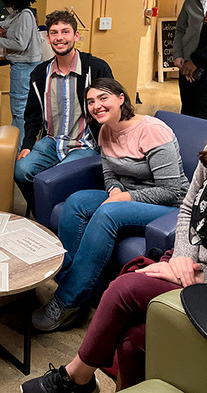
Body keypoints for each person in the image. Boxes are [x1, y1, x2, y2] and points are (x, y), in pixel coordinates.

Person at [22, 76, 207, 392]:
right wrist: (181, 259)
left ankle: (75, 374)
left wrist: (197, 277)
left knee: (123, 288)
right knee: (133, 341)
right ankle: (75, 307)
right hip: (189, 261)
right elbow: (189, 211)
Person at [31, 78, 188, 332]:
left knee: (107, 213)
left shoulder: (152, 130)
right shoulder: (105, 130)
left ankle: (67, 301)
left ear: (121, 99)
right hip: (126, 195)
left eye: (103, 98)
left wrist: (123, 198)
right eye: (91, 101)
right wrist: (115, 190)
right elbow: (110, 174)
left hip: (168, 206)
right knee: (76, 201)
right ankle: (74, 284)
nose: (96, 105)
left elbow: (172, 190)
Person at [14, 10, 113, 207]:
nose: (60, 38)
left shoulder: (96, 68)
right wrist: (27, 144)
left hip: (85, 144)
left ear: (76, 36)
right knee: (21, 171)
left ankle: (57, 222)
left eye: (65, 32)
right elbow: (32, 115)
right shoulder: (40, 74)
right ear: (48, 38)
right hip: (52, 141)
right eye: (54, 33)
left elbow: (113, 109)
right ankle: (42, 215)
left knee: (55, 179)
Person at [0, 0, 42, 146]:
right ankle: (16, 148)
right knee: (19, 111)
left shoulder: (25, 15)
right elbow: (5, 23)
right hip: (22, 67)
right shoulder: (18, 15)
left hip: (24, 67)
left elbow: (20, 44)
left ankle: (18, 150)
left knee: (19, 111)